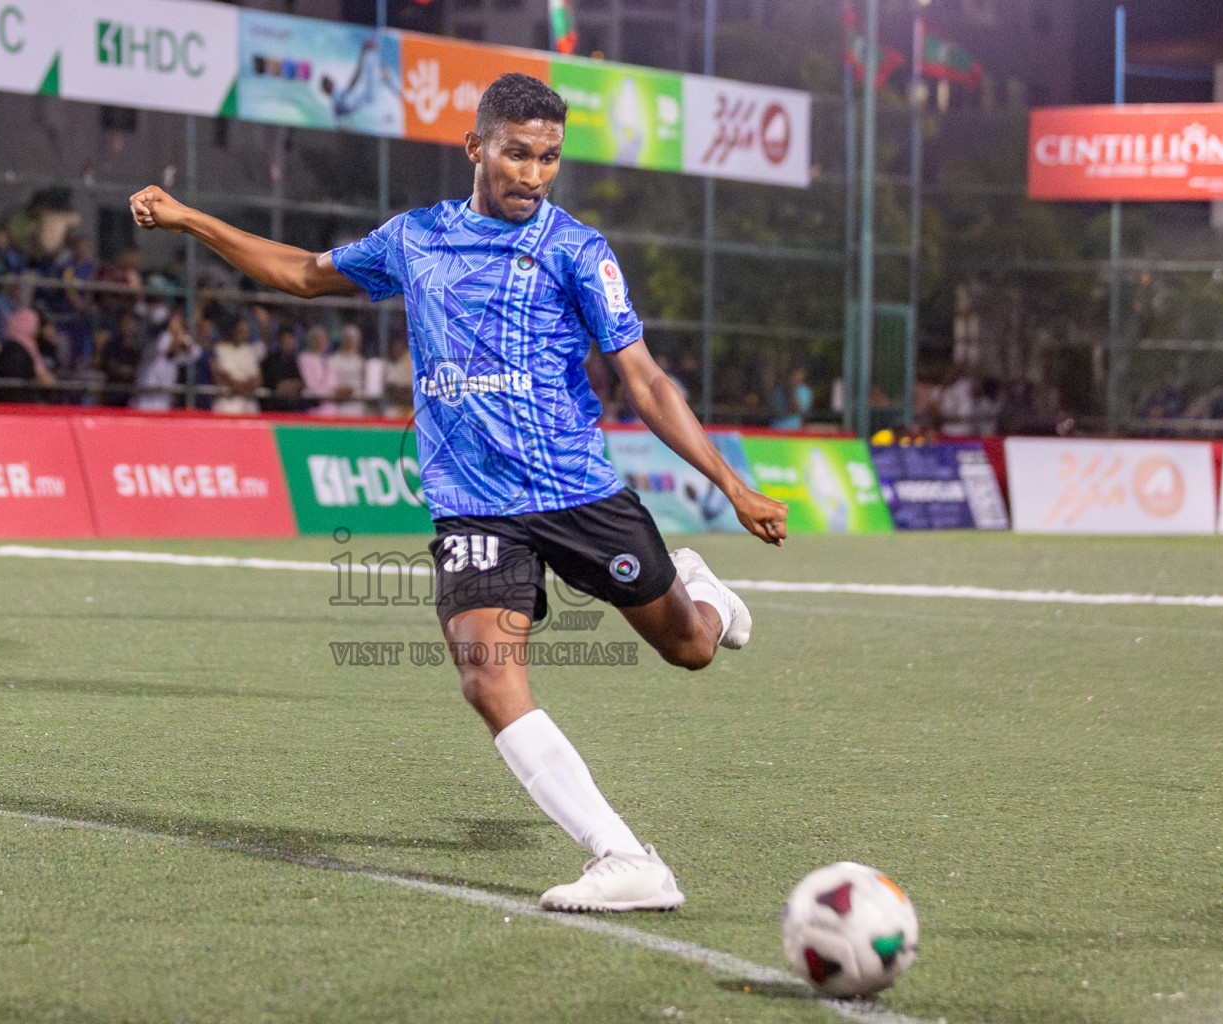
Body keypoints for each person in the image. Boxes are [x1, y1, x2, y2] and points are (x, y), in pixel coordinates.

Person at [130, 73, 787, 913]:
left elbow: (646, 381)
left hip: (576, 494)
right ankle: (625, 857)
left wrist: (730, 482)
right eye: (518, 153)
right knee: (485, 677)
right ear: (476, 147)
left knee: (690, 648)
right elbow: (300, 273)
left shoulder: (578, 250)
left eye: (549, 158)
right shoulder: (415, 239)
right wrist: (191, 219)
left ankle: (703, 595)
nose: (534, 173)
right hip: (473, 506)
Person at [131, 308, 197, 411]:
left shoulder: (183, 338)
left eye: (178, 321)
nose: (175, 323)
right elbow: (169, 352)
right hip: (146, 395)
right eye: (173, 320)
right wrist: (180, 340)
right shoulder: (160, 337)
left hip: (164, 397)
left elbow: (194, 354)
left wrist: (184, 340)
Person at [211, 314, 261, 415]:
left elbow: (257, 379)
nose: (242, 332)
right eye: (240, 329)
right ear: (233, 329)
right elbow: (223, 376)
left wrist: (241, 390)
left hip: (247, 402)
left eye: (245, 330)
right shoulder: (220, 349)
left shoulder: (249, 351)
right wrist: (243, 389)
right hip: (227, 401)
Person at [770, 365, 812, 430]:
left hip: (795, 430)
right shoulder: (778, 391)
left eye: (799, 374)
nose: (796, 377)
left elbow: (796, 408)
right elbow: (775, 411)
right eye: (794, 374)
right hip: (776, 428)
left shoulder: (805, 391)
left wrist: (791, 390)